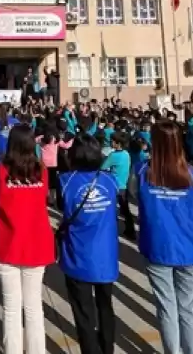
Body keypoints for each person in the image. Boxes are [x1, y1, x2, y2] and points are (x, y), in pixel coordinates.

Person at [136, 120, 193, 354]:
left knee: (167, 307)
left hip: (158, 246)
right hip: (188, 248)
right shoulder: (192, 174)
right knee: (188, 308)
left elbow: (137, 197)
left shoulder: (143, 171)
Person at [0, 125, 53, 354]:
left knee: (12, 309)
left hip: (9, 244)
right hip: (36, 243)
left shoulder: (2, 171)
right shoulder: (42, 171)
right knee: (33, 307)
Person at [58, 133, 119, 354]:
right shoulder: (110, 180)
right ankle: (107, 349)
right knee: (105, 307)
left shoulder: (66, 181)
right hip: (105, 256)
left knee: (84, 313)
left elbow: (63, 209)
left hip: (79, 256)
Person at [101, 130, 135, 238]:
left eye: (112, 141)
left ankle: (112, 230)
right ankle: (130, 230)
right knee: (125, 209)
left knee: (111, 209)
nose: (111, 143)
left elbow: (102, 167)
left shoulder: (113, 155)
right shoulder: (126, 154)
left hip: (113, 185)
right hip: (123, 185)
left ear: (118, 143)